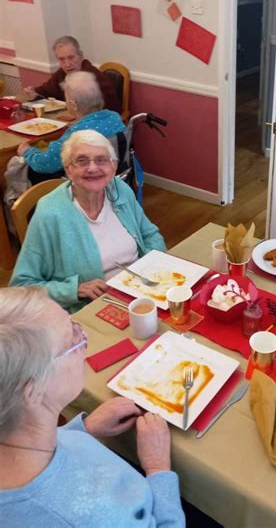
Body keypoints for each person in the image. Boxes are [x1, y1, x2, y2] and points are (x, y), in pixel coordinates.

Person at [0, 287, 185, 527]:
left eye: (76, 325)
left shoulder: (19, 433)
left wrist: (84, 429)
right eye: (72, 340)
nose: (84, 340)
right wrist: (158, 468)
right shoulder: (87, 517)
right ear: (34, 390)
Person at [10, 130, 166, 312]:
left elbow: (149, 234)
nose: (93, 168)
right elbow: (22, 286)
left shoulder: (119, 190)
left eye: (101, 160)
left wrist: (153, 269)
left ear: (114, 166)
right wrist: (74, 290)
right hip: (90, 309)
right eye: (81, 161)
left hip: (141, 292)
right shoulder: (50, 212)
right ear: (68, 169)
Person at [17, 70, 125, 184]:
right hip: (110, 176)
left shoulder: (75, 136)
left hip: (83, 183)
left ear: (73, 104)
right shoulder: (114, 117)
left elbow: (45, 164)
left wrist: (27, 151)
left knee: (26, 168)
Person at [22, 35, 120, 113]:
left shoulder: (93, 79)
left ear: (81, 55)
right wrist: (34, 94)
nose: (67, 64)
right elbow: (45, 91)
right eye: (62, 59)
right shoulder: (62, 73)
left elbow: (107, 111)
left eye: (71, 57)